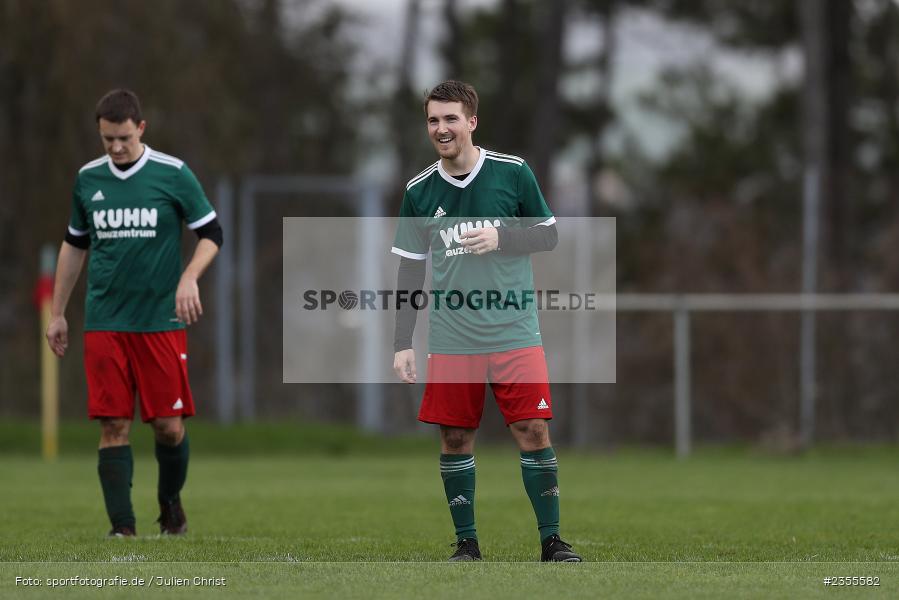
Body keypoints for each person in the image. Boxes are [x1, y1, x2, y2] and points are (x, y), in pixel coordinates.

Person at [391, 80, 581, 562]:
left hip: (514, 330)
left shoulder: (512, 173)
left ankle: (552, 542)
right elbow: (410, 269)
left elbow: (549, 235)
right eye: (433, 120)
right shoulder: (418, 191)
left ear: (472, 121)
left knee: (533, 430)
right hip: (452, 337)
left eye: (451, 119)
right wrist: (402, 341)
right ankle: (467, 544)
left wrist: (502, 237)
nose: (441, 128)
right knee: (455, 438)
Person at [46, 89, 222, 537]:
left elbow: (212, 233)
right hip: (106, 321)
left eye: (124, 137)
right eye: (108, 139)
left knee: (168, 427)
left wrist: (189, 277)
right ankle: (122, 528)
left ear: (140, 128)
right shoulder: (88, 179)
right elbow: (74, 245)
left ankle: (170, 503)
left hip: (160, 321)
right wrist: (58, 312)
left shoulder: (172, 173)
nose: (116, 147)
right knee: (113, 424)